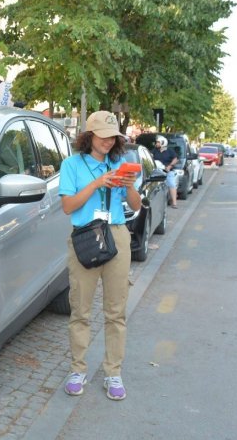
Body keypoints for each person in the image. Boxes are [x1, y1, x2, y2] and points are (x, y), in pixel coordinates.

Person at [58, 111, 141, 401]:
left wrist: (128, 184)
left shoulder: (120, 164)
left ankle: (113, 373)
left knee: (115, 311)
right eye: (103, 136)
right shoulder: (72, 164)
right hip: (85, 236)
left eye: (113, 137)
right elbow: (68, 206)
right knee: (80, 309)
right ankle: (77, 369)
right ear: (89, 135)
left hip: (116, 233)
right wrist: (97, 183)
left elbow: (136, 205)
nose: (108, 142)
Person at [151, 135, 179, 208]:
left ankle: (174, 203)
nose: (156, 144)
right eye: (157, 142)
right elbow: (150, 156)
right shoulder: (154, 150)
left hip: (167, 171)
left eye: (158, 142)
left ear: (163, 143)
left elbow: (175, 159)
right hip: (157, 171)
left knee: (172, 184)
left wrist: (169, 166)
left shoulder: (170, 151)